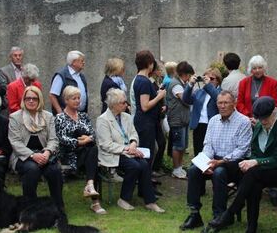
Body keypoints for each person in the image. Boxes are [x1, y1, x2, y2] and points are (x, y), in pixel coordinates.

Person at [208, 97, 277, 233]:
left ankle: (230, 213)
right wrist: (252, 162)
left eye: (266, 117)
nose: (263, 121)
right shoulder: (259, 126)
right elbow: (254, 151)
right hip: (262, 171)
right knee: (251, 181)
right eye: (260, 118)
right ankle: (251, 227)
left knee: (252, 174)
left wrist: (255, 162)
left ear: (275, 111)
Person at [180, 91, 252, 231]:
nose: (222, 106)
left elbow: (242, 150)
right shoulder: (213, 120)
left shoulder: (243, 121)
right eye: (220, 103)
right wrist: (205, 162)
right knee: (193, 170)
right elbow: (208, 145)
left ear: (234, 103)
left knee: (219, 172)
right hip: (214, 160)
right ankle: (194, 214)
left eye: (226, 102)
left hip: (235, 163)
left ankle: (219, 216)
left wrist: (219, 162)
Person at [96, 88, 164, 213]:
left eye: (126, 102)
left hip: (129, 150)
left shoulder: (126, 116)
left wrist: (133, 143)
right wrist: (127, 149)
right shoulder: (103, 120)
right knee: (134, 166)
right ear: (114, 105)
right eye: (123, 103)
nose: (126, 105)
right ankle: (123, 199)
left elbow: (134, 134)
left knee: (144, 164)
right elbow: (105, 144)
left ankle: (150, 201)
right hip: (113, 153)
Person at [9, 86, 64, 210]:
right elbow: (15, 142)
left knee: (54, 170)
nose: (31, 101)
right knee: (32, 169)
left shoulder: (48, 116)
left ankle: (58, 207)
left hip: (45, 155)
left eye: (34, 98)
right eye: (28, 98)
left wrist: (47, 152)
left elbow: (53, 139)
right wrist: (33, 155)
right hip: (23, 156)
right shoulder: (15, 117)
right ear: (23, 100)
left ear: (39, 100)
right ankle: (30, 207)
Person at [55, 86, 106, 214]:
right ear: (66, 100)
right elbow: (61, 139)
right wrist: (79, 141)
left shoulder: (83, 116)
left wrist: (88, 139)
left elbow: (93, 134)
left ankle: (90, 186)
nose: (77, 101)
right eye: (74, 98)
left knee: (92, 150)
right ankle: (95, 201)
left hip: (86, 153)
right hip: (69, 154)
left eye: (79, 98)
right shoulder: (60, 118)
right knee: (92, 153)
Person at [132, 51, 167, 172]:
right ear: (149, 64)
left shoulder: (140, 79)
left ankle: (146, 183)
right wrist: (159, 96)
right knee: (146, 154)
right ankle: (145, 186)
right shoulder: (144, 81)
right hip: (146, 123)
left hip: (145, 122)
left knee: (147, 153)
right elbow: (145, 106)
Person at [182, 68, 222, 155]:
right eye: (206, 78)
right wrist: (190, 84)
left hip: (212, 126)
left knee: (211, 152)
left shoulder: (221, 93)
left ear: (218, 80)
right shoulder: (200, 92)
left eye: (211, 79)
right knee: (198, 151)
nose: (209, 81)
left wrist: (208, 86)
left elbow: (219, 100)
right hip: (199, 125)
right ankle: (198, 168)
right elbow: (186, 99)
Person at [167, 61, 194, 179]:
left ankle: (179, 167)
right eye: (189, 75)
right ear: (185, 74)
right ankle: (176, 169)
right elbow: (186, 99)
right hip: (177, 119)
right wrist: (191, 86)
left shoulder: (182, 84)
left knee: (182, 146)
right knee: (178, 145)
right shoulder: (176, 84)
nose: (190, 78)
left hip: (183, 119)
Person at [236, 55, 277, 119]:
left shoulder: (273, 83)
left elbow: (275, 104)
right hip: (247, 119)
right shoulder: (243, 83)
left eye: (260, 67)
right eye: (254, 68)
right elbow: (239, 103)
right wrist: (248, 116)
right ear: (251, 69)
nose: (257, 70)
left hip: (266, 119)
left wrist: (262, 118)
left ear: (264, 68)